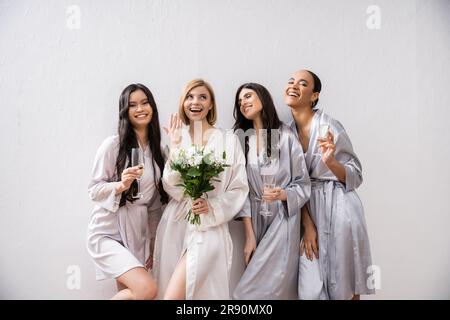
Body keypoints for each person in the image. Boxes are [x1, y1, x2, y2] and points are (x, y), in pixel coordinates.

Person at [152, 79, 249, 300]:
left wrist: (211, 206)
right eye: (190, 97)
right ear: (183, 103)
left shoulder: (228, 140)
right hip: (176, 224)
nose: (195, 102)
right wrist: (176, 146)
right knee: (169, 289)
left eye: (202, 97)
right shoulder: (178, 137)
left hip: (210, 227)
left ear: (211, 104)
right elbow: (170, 185)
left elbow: (238, 187)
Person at [285, 70, 375, 300]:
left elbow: (356, 175)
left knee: (346, 283)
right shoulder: (285, 133)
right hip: (309, 208)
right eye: (291, 81)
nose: (294, 85)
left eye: (302, 83)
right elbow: (293, 183)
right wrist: (308, 224)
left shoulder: (329, 126)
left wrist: (330, 161)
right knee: (310, 290)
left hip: (340, 205)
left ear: (314, 96)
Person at [86, 83, 168, 299]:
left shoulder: (158, 151)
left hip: (136, 232)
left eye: (144, 102)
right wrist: (121, 186)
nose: (140, 109)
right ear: (125, 111)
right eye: (133, 105)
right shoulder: (113, 146)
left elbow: (154, 205)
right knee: (146, 289)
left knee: (132, 294)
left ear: (152, 106)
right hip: (108, 232)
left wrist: (153, 244)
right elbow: (94, 190)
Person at [231, 83, 311, 299]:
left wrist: (282, 194)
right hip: (255, 217)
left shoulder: (285, 136)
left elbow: (303, 183)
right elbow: (242, 189)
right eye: (240, 101)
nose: (243, 103)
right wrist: (249, 236)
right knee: (253, 288)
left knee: (265, 290)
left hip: (283, 219)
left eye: (248, 96)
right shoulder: (242, 139)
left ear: (262, 98)